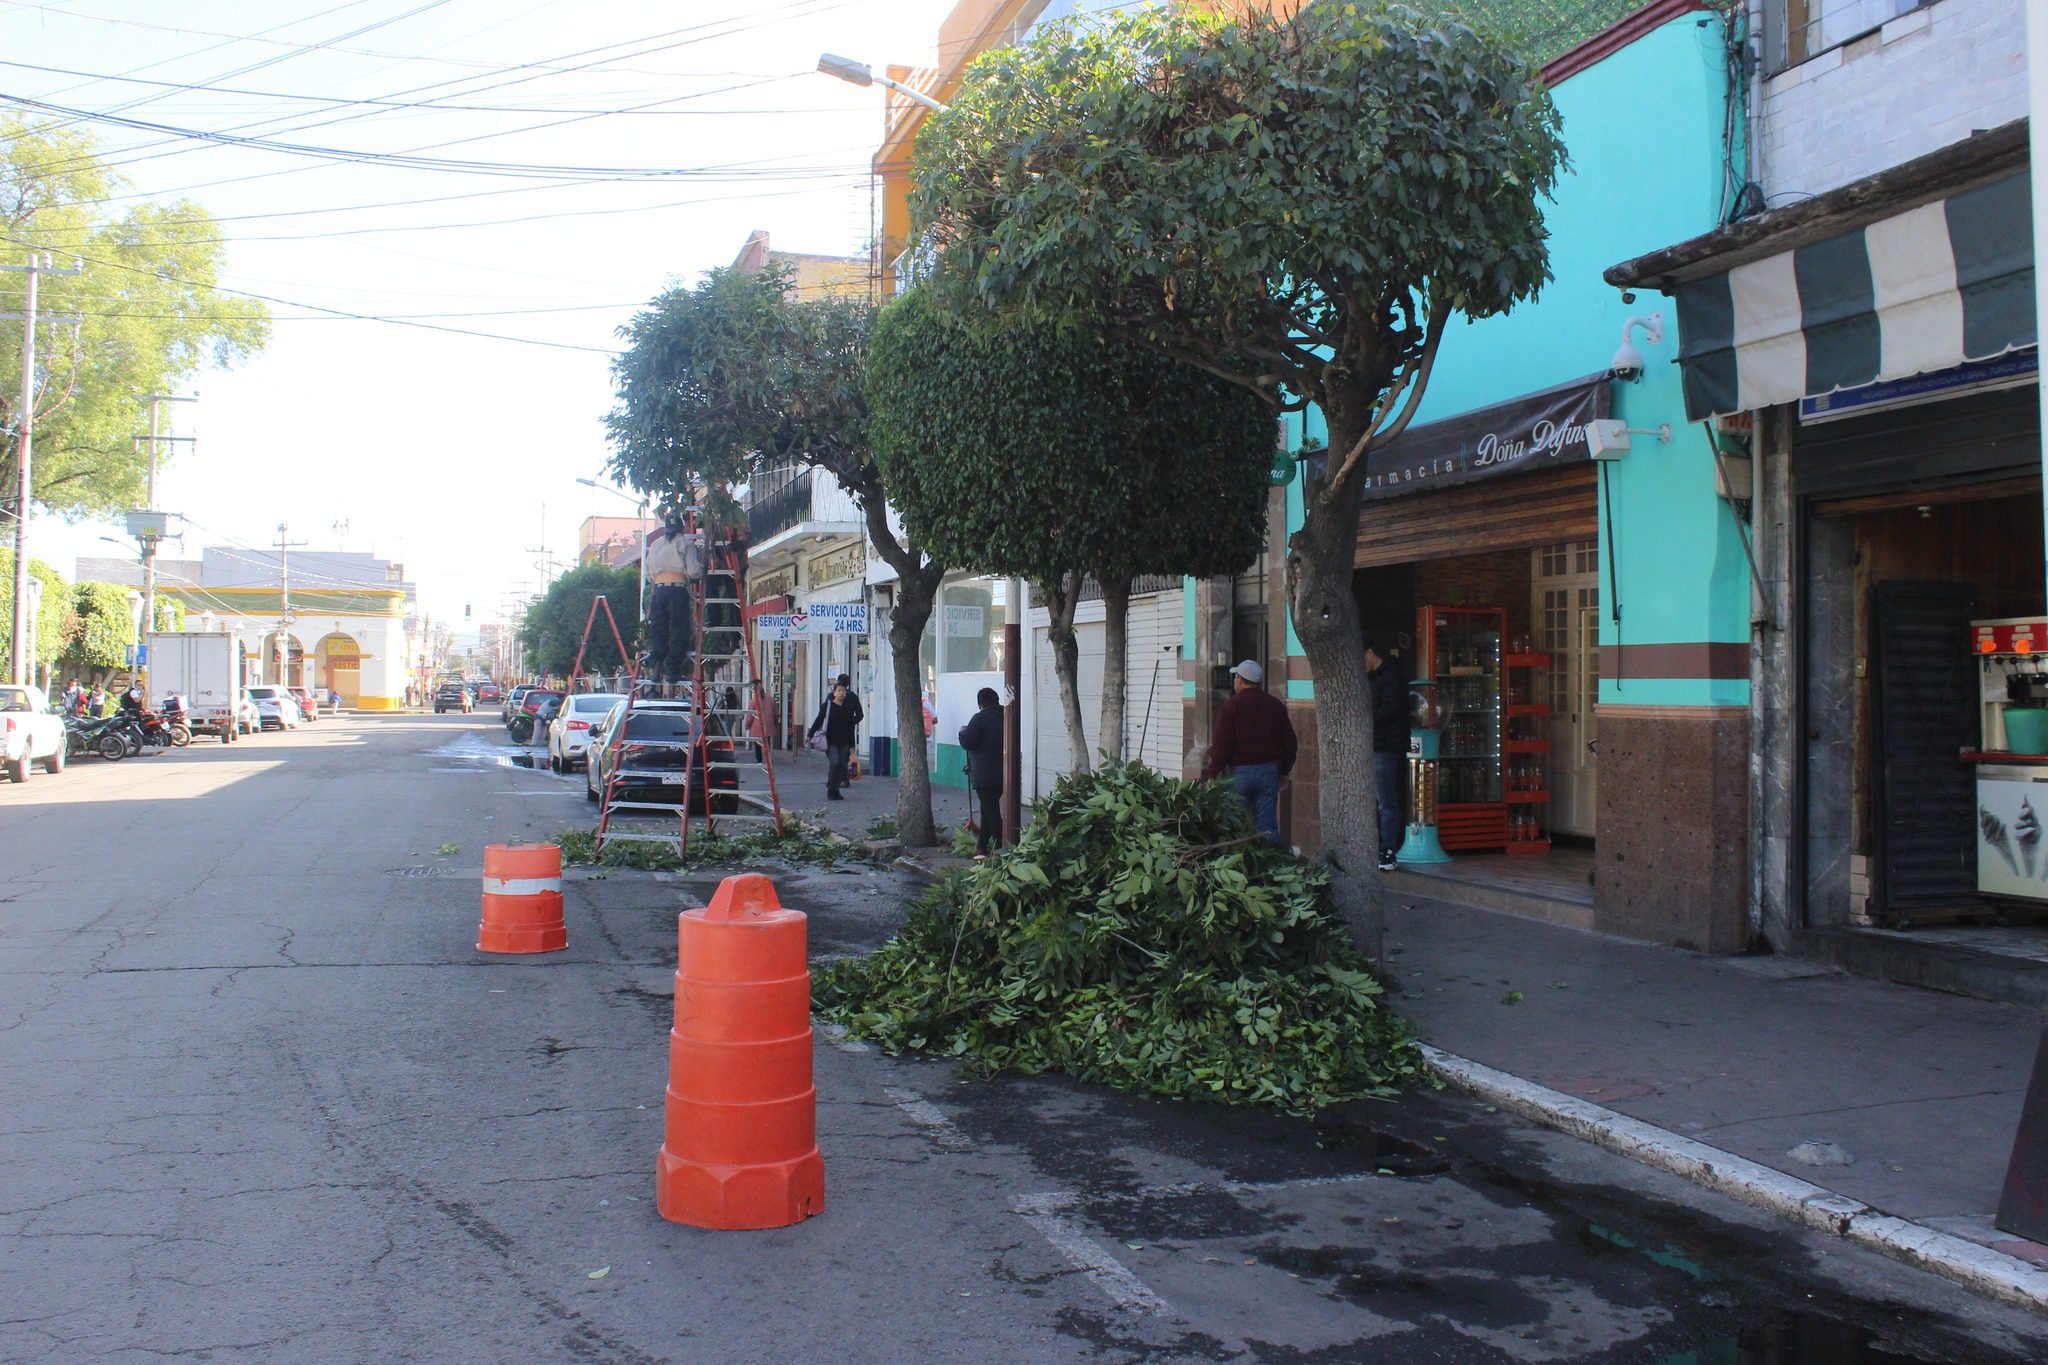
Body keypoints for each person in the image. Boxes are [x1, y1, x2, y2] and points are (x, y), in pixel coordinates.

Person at [1202, 660, 1297, 846]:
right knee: (1267, 824)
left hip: (1239, 774)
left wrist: (1214, 772)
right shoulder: (1275, 706)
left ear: (1240, 680)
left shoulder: (1232, 706)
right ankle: (1271, 865)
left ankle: (1242, 863)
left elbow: (1222, 743)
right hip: (1269, 772)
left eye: (1236, 677)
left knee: (1237, 823)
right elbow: (1290, 742)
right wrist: (1284, 770)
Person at [1365, 635, 1412, 871]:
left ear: (1370, 653)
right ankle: (1380, 847)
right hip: (1377, 744)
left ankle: (1388, 850)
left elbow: (1391, 710)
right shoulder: (1374, 677)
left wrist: (1365, 717)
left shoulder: (1390, 676)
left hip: (1386, 746)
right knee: (1378, 801)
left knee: (1386, 802)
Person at [958, 687, 1005, 857]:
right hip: (1003, 774)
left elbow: (968, 742)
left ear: (980, 704)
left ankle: (1001, 849)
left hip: (984, 774)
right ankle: (981, 848)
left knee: (992, 813)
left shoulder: (979, 719)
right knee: (987, 810)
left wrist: (962, 732)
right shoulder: (1006, 716)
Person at [807, 679, 859, 801]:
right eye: (839, 690)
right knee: (834, 762)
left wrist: (852, 744)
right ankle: (831, 790)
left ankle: (836, 791)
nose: (841, 693)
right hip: (830, 741)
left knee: (842, 766)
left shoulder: (848, 708)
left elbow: (850, 727)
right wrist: (810, 734)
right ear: (834, 692)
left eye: (844, 691)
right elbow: (819, 720)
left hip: (844, 741)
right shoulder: (828, 706)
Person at [833, 673, 864, 784]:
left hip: (835, 730)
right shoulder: (853, 697)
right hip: (848, 731)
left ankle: (839, 778)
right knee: (847, 755)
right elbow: (860, 714)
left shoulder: (832, 696)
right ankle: (845, 778)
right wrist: (851, 723)